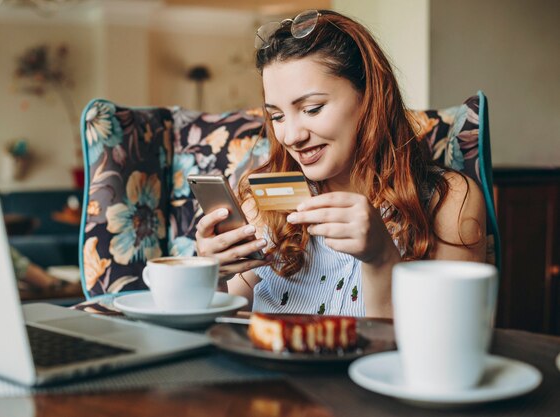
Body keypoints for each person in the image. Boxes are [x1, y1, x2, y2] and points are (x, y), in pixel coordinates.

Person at [195, 10, 486, 318]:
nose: (291, 136)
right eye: (277, 116)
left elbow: (446, 345)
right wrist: (213, 278)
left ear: (370, 97)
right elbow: (229, 327)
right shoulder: (265, 204)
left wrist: (382, 257)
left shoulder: (449, 201)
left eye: (312, 108)